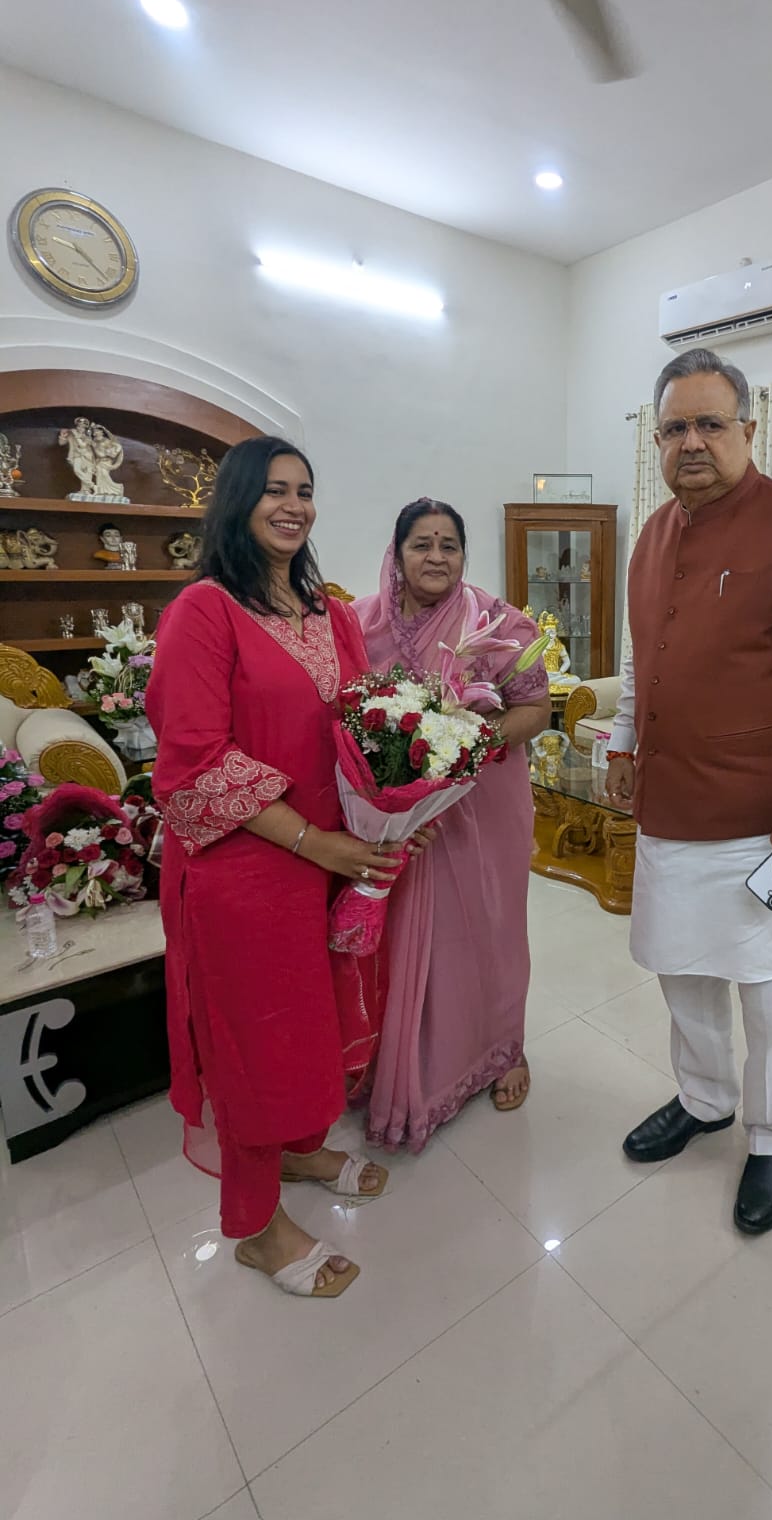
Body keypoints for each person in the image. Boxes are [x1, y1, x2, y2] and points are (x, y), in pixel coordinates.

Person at [608, 348, 772, 1236]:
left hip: (766, 822)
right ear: (658, 441)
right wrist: (621, 740)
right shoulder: (652, 535)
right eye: (675, 427)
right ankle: (706, 1098)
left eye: (711, 424)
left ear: (748, 431)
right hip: (670, 809)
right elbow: (641, 660)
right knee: (683, 972)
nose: (692, 441)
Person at [147, 437, 411, 1299]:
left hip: (330, 857)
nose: (294, 506)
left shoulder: (330, 613)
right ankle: (257, 1229)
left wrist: (402, 804)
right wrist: (315, 842)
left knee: (312, 1025)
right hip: (246, 869)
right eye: (273, 490)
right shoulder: (204, 611)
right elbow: (192, 763)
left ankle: (300, 1150)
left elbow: (366, 729)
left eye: (304, 490)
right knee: (256, 1045)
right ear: (237, 501)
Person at [353, 499, 551, 1150]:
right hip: (401, 817)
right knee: (405, 936)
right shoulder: (359, 624)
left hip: (483, 804)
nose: (436, 557)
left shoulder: (497, 623)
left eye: (449, 545)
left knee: (489, 928)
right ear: (397, 552)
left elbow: (537, 710)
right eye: (422, 544)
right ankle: (403, 1059)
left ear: (464, 555)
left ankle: (502, 1049)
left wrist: (466, 745)